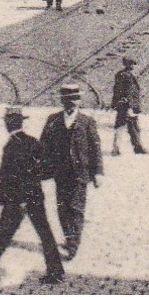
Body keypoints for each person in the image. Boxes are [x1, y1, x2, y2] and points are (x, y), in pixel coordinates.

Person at [0, 107, 65, 285]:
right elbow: (47, 168)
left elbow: (8, 175)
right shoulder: (32, 141)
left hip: (17, 198)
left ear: (9, 123)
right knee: (40, 232)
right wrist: (34, 183)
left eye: (7, 121)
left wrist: (19, 196)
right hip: (33, 196)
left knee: (6, 231)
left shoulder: (12, 145)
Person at [40, 84, 103, 259]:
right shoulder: (52, 120)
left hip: (80, 173)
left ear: (80, 101)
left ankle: (73, 246)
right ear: (62, 101)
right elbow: (43, 146)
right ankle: (69, 237)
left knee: (76, 208)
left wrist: (98, 172)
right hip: (60, 173)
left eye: (75, 99)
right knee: (62, 209)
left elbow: (95, 148)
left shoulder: (87, 122)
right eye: (68, 99)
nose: (72, 103)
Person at [110, 57, 147, 154]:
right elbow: (120, 90)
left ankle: (137, 147)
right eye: (131, 64)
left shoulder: (127, 75)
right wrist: (125, 104)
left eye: (133, 64)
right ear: (126, 64)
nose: (133, 66)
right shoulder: (123, 75)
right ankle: (116, 149)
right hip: (125, 105)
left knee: (133, 126)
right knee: (121, 126)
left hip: (130, 105)